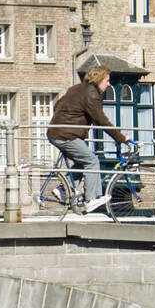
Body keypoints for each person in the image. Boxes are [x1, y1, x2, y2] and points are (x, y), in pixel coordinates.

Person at [47, 65, 128, 213]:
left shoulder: (76, 88)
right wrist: (121, 138)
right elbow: (101, 120)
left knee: (82, 162)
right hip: (66, 135)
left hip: (56, 132)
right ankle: (91, 199)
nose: (109, 84)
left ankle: (63, 189)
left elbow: (57, 106)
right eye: (107, 81)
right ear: (99, 80)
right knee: (92, 161)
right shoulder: (92, 94)